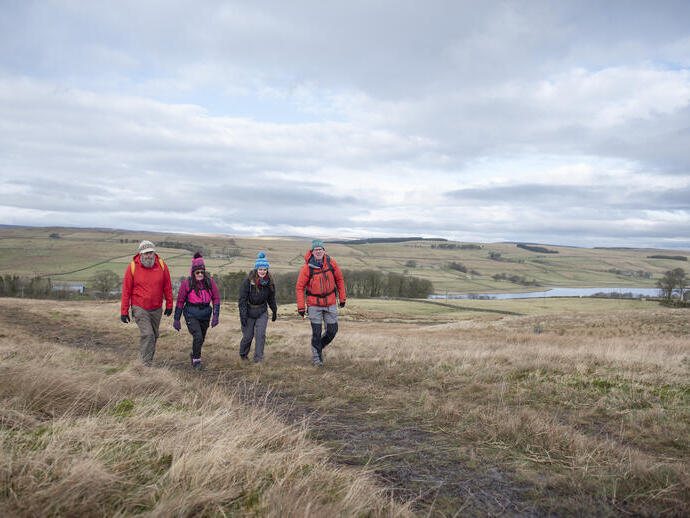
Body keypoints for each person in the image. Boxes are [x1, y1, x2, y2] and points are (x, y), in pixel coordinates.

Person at [120, 240, 173, 366]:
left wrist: (169, 305)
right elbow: (126, 290)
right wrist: (124, 311)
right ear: (140, 254)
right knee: (148, 334)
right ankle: (145, 364)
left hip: (156, 307)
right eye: (145, 253)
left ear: (154, 252)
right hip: (140, 307)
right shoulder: (132, 267)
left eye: (150, 252)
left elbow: (167, 286)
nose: (148, 255)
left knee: (154, 335)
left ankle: (148, 360)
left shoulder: (161, 265)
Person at [295, 239, 346, 366]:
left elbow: (339, 279)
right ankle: (317, 359)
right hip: (314, 304)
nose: (318, 251)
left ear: (324, 251)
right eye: (316, 250)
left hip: (330, 302)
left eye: (320, 249)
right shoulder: (307, 268)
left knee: (332, 331)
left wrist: (342, 298)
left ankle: (318, 348)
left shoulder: (331, 263)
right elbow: (299, 287)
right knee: (316, 333)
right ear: (312, 252)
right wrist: (301, 307)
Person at [172, 253, 221, 371]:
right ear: (193, 272)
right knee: (198, 337)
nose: (200, 274)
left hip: (205, 314)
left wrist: (216, 315)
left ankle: (194, 353)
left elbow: (216, 298)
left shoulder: (210, 282)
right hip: (191, 314)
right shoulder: (187, 283)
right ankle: (196, 361)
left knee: (201, 338)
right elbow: (180, 301)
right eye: (197, 272)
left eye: (202, 272)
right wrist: (176, 319)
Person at [238, 252, 277, 363]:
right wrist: (243, 315)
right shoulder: (248, 281)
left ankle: (258, 359)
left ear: (267, 270)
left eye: (264, 269)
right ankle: (243, 354)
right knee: (248, 337)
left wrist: (274, 310)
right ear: (256, 269)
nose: (262, 272)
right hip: (249, 311)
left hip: (262, 311)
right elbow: (242, 300)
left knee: (260, 335)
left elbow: (271, 298)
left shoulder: (269, 282)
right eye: (260, 269)